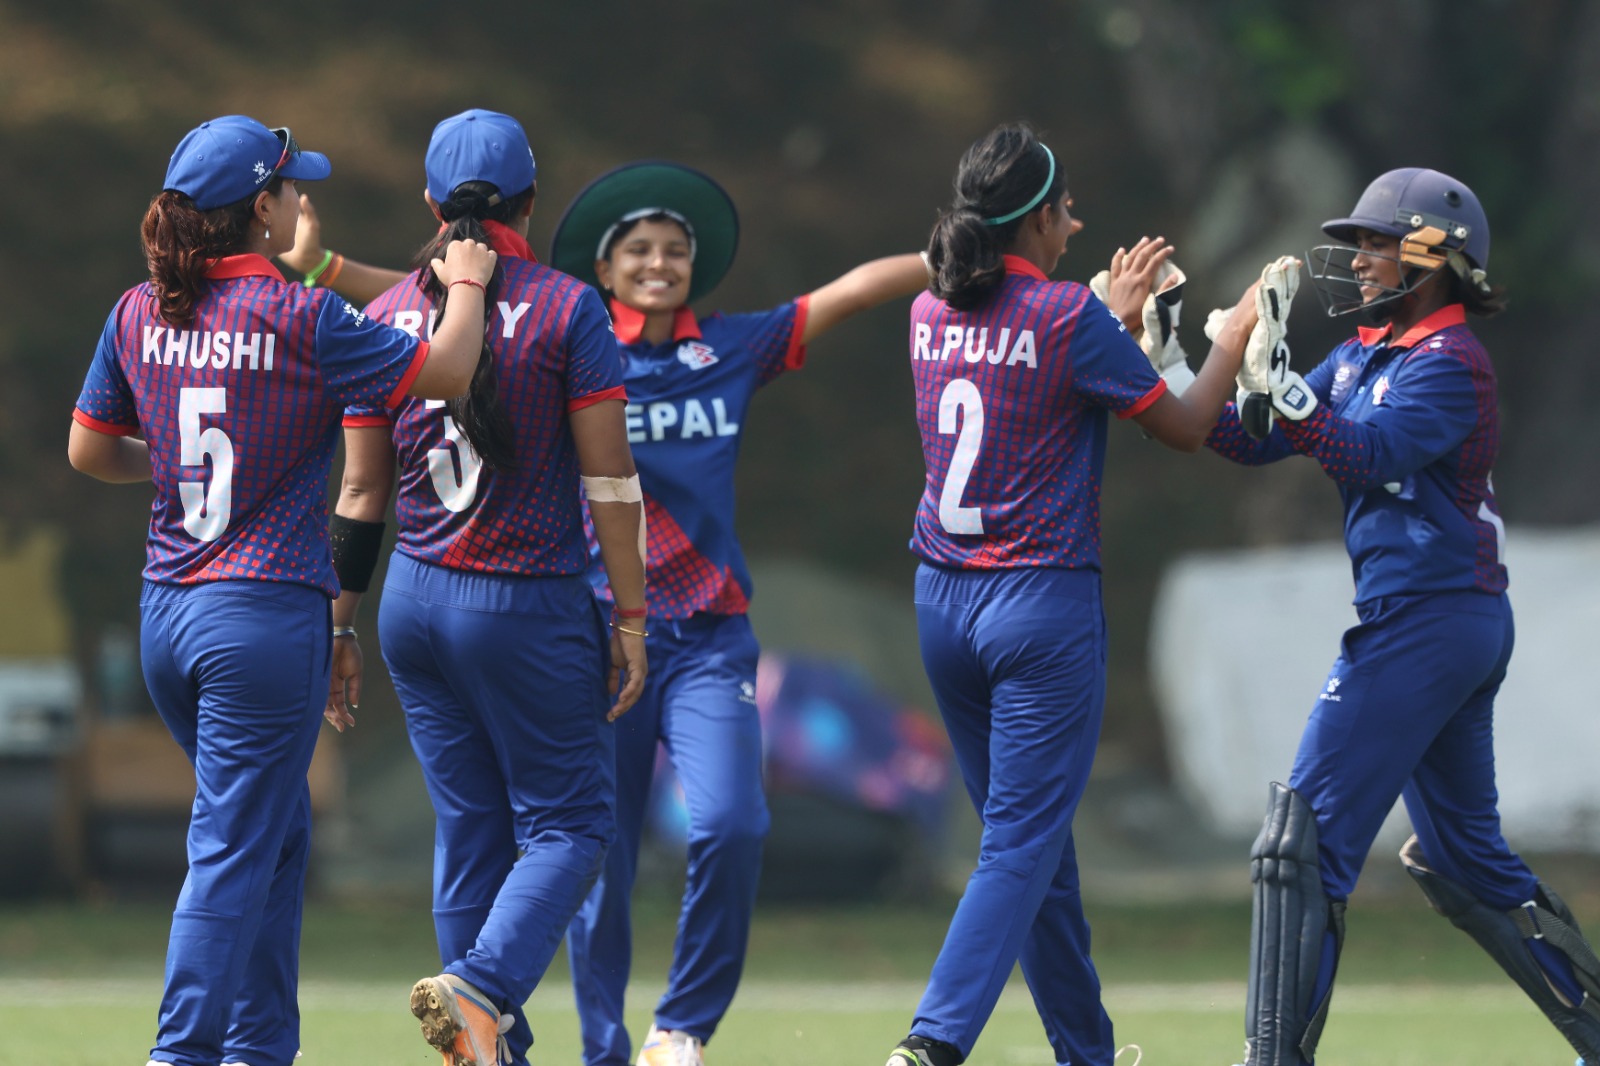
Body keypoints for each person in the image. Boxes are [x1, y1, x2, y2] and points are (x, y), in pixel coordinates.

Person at [67, 114, 496, 1066]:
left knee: (273, 832)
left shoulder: (140, 308)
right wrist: (464, 286)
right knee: (230, 846)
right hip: (259, 617)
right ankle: (182, 1055)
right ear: (261, 207)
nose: (304, 198)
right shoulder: (300, 313)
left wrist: (183, 464)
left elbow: (90, 449)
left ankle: (259, 1050)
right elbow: (454, 368)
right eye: (293, 186)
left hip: (168, 616)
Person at [886, 121, 1263, 1066]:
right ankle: (931, 1045)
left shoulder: (931, 309)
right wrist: (1237, 336)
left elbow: (1025, 377)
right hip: (1037, 609)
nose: (1078, 222)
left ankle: (1085, 1053)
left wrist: (1113, 319)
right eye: (1066, 210)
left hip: (942, 602)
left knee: (1036, 852)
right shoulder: (1066, 317)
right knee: (1020, 844)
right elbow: (1180, 426)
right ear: (1039, 218)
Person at [538, 160, 930, 1066]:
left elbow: (848, 295)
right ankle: (602, 1048)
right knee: (598, 855)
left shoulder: (736, 347)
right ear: (604, 270)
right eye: (637, 249)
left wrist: (955, 258)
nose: (658, 262)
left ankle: (680, 1029)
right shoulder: (570, 351)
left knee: (731, 824)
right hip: (598, 640)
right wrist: (320, 272)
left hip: (710, 639)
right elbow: (425, 321)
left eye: (674, 250)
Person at [1208, 167, 1600, 1066]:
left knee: (1294, 847)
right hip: (1441, 620)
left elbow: (1368, 452)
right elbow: (1251, 434)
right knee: (1465, 863)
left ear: (1435, 256)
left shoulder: (1453, 362)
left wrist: (1289, 391)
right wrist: (1180, 363)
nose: (1360, 261)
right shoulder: (1364, 352)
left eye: (1378, 244)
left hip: (1431, 619)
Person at [323, 109, 648, 1066]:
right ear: (532, 204)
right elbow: (610, 481)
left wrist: (339, 626)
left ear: (430, 204)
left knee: (469, 830)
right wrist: (631, 616)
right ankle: (482, 987)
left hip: (414, 605)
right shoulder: (566, 308)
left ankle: (493, 1045)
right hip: (524, 602)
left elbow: (357, 491)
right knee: (574, 823)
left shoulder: (383, 318)